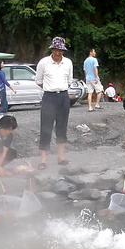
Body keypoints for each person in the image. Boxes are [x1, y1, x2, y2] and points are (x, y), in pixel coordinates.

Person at [35, 36, 73, 169]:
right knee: (46, 127)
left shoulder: (68, 63)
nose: (57, 53)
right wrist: (50, 88)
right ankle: (43, 160)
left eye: (60, 50)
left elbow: (69, 80)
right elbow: (38, 81)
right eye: (55, 50)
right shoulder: (44, 62)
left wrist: (60, 89)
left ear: (63, 51)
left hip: (63, 96)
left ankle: (61, 157)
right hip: (49, 97)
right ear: (52, 49)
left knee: (62, 127)